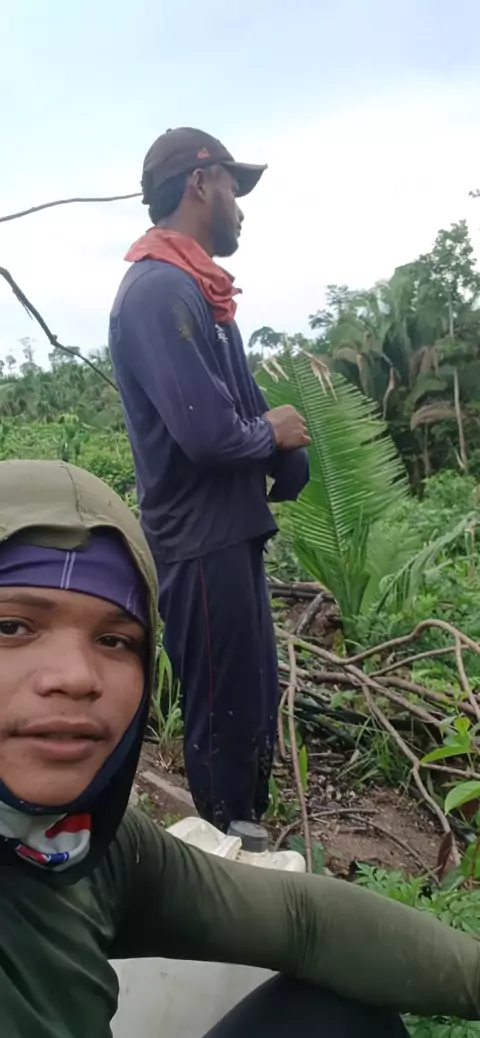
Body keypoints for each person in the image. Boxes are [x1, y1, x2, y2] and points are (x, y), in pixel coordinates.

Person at [1, 458, 480, 1038]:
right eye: (12, 627)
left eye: (115, 639)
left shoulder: (85, 846)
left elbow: (305, 921)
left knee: (332, 1019)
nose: (77, 676)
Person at [109, 127, 311, 830]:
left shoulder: (204, 295)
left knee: (249, 701)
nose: (240, 206)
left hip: (229, 534)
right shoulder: (157, 291)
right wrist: (272, 434)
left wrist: (284, 450)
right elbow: (208, 435)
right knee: (224, 712)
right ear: (200, 184)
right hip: (198, 541)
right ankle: (228, 848)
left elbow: (241, 412)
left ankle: (247, 837)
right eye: (232, 186)